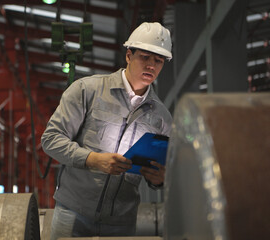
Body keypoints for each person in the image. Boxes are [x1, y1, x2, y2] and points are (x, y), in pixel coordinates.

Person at [41, 22, 173, 239]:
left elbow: (160, 171)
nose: (151, 65)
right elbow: (51, 139)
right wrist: (93, 159)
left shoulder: (161, 117)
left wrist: (159, 179)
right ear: (129, 56)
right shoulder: (87, 90)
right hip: (73, 212)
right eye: (145, 57)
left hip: (121, 222)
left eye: (158, 60)